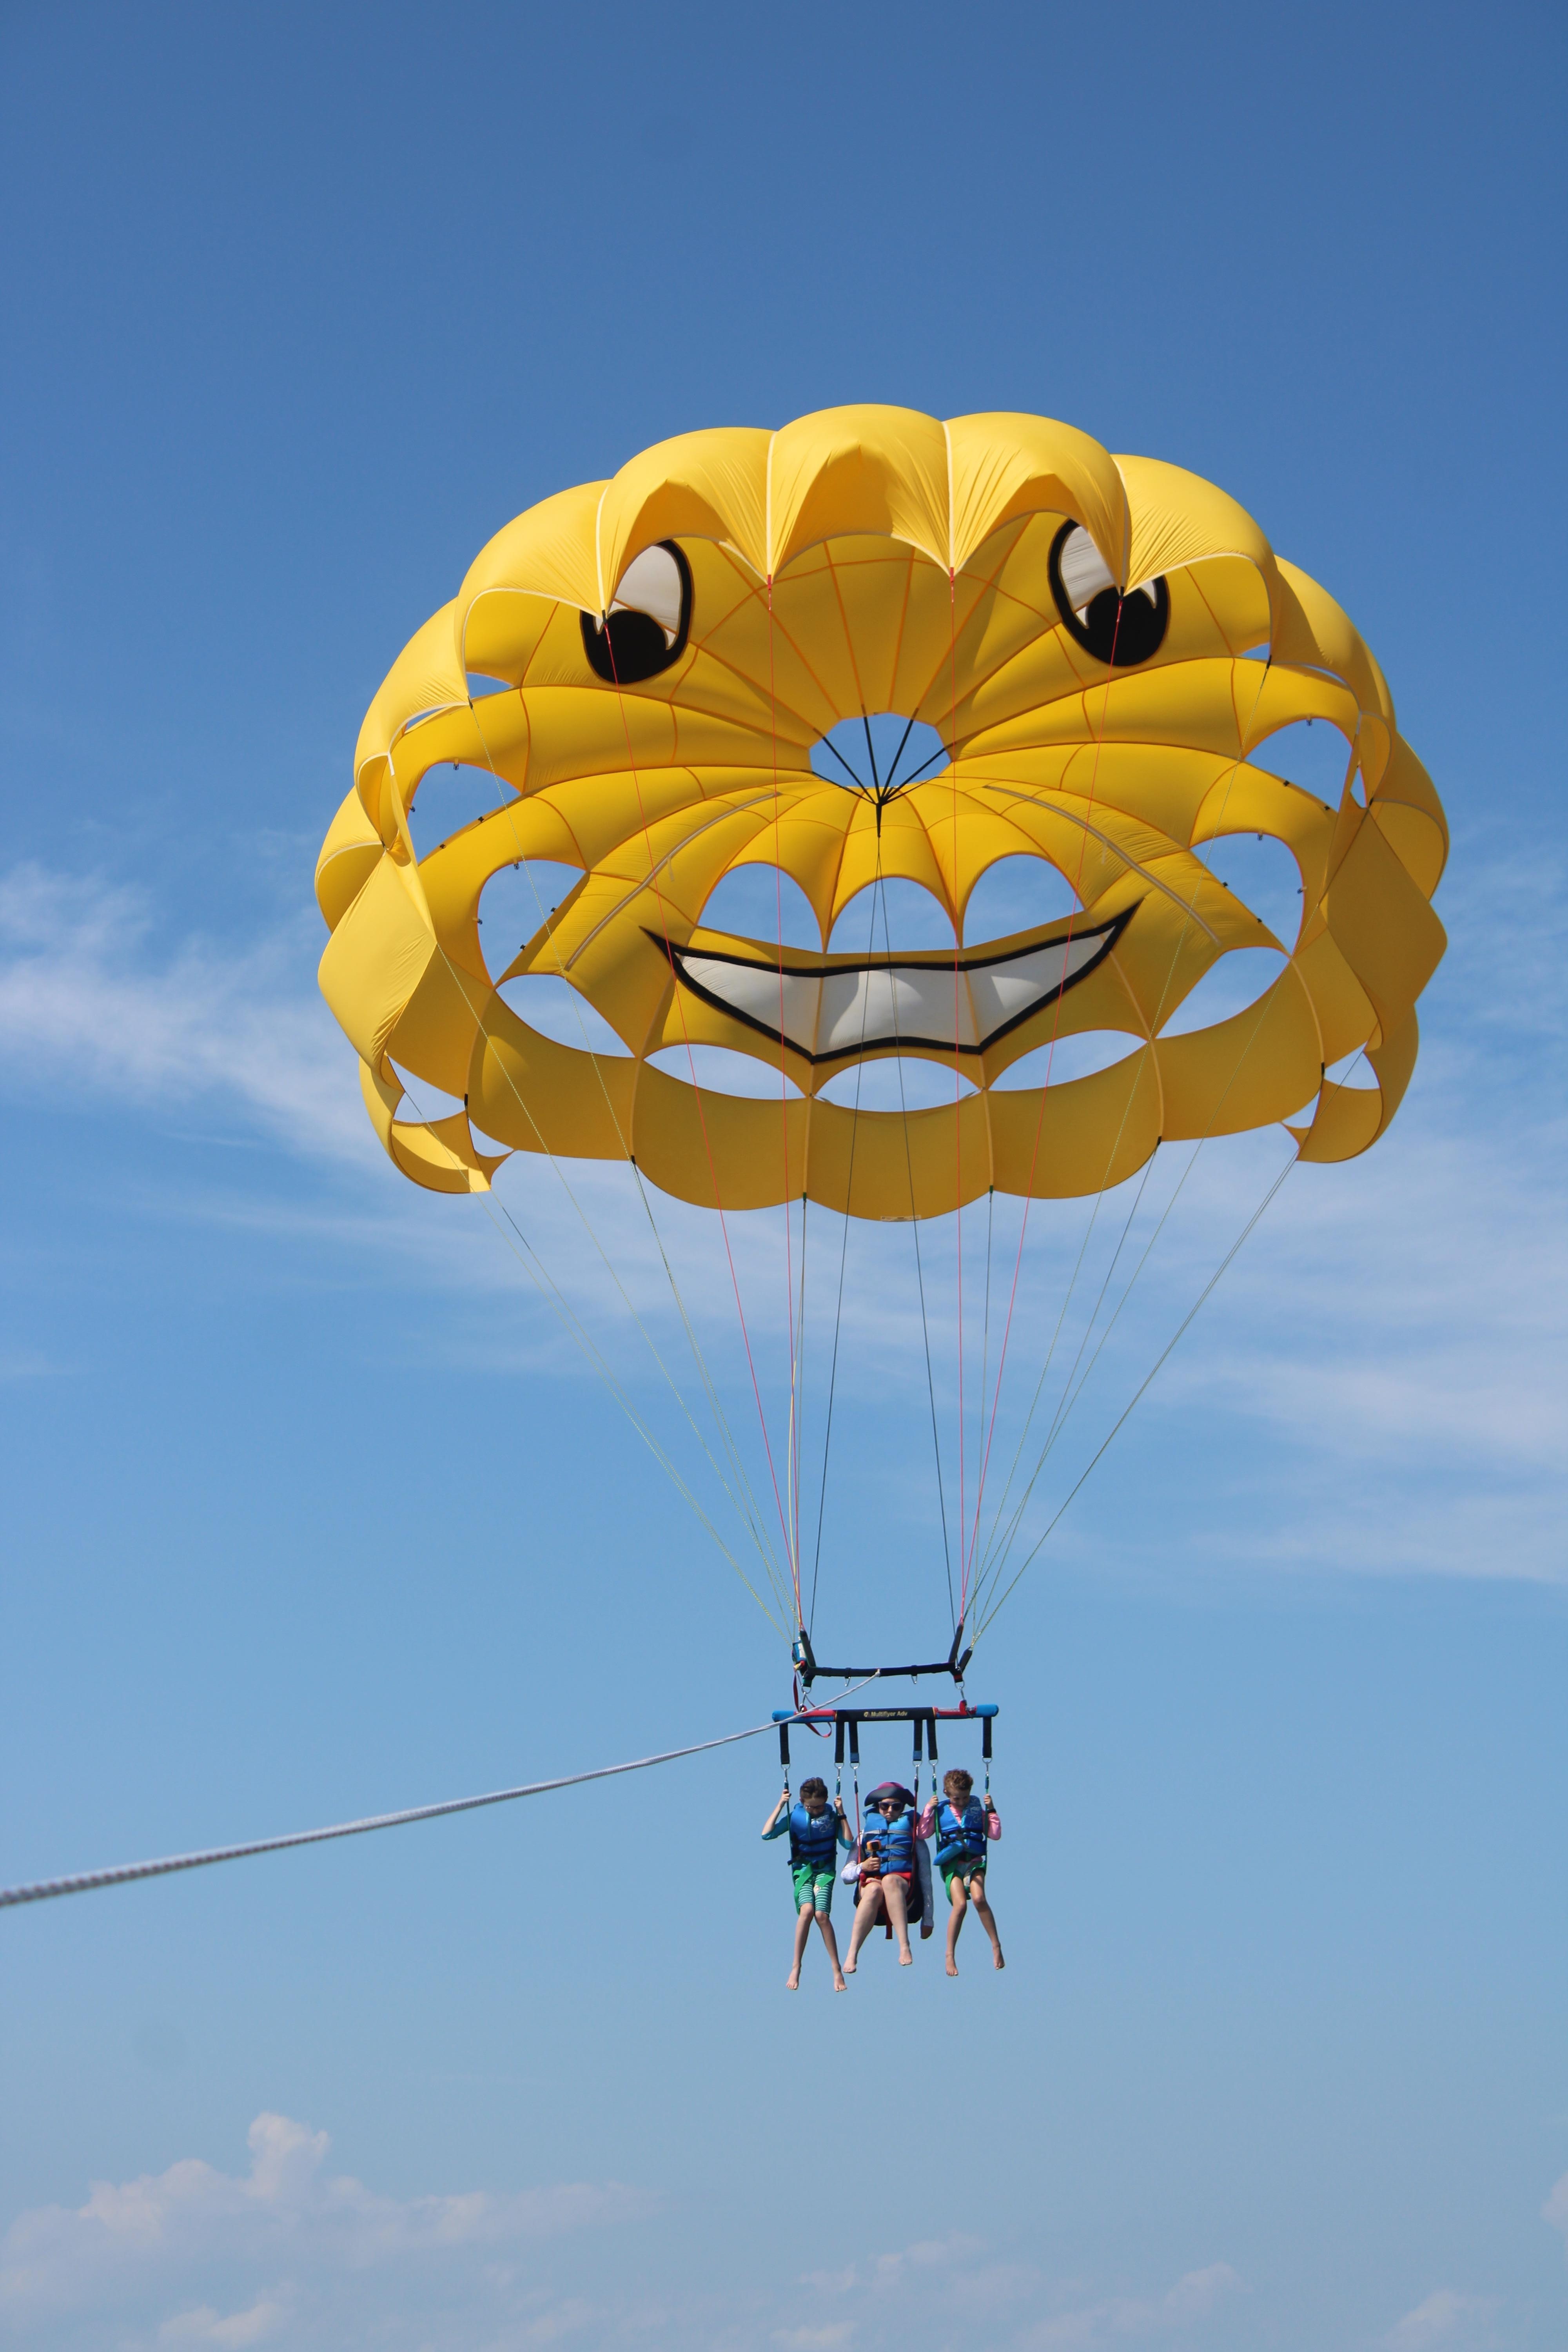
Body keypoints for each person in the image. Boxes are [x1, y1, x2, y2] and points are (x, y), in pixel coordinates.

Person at [762, 1776, 852, 1990]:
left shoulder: (832, 1817)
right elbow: (767, 1834)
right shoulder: (796, 1817)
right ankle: (796, 1967)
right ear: (802, 1802)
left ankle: (836, 1970)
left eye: (819, 1807)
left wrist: (841, 1813)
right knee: (807, 1911)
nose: (815, 1811)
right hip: (803, 1872)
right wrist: (781, 1804)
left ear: (827, 1801)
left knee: (821, 1915)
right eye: (810, 1807)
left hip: (825, 1871)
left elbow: (848, 1843)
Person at [920, 1766, 1004, 1974]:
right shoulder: (941, 1812)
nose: (963, 1802)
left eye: (965, 1798)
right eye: (958, 1799)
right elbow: (922, 1833)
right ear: (947, 1794)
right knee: (960, 1906)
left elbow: (995, 1834)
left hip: (974, 1861)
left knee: (979, 1899)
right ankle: (950, 1955)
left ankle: (996, 1946)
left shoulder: (977, 1809)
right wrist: (929, 1810)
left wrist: (991, 1809)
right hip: (952, 1866)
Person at [843, 1781, 926, 1973]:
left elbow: (925, 1878)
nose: (890, 1811)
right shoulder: (864, 1836)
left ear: (903, 1808)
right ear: (877, 1807)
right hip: (872, 1893)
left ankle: (904, 1945)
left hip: (905, 1894)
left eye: (896, 1807)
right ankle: (852, 1954)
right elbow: (846, 1877)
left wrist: (928, 1919)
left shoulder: (913, 1838)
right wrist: (862, 1867)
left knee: (889, 1881)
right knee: (874, 1889)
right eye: (885, 1806)